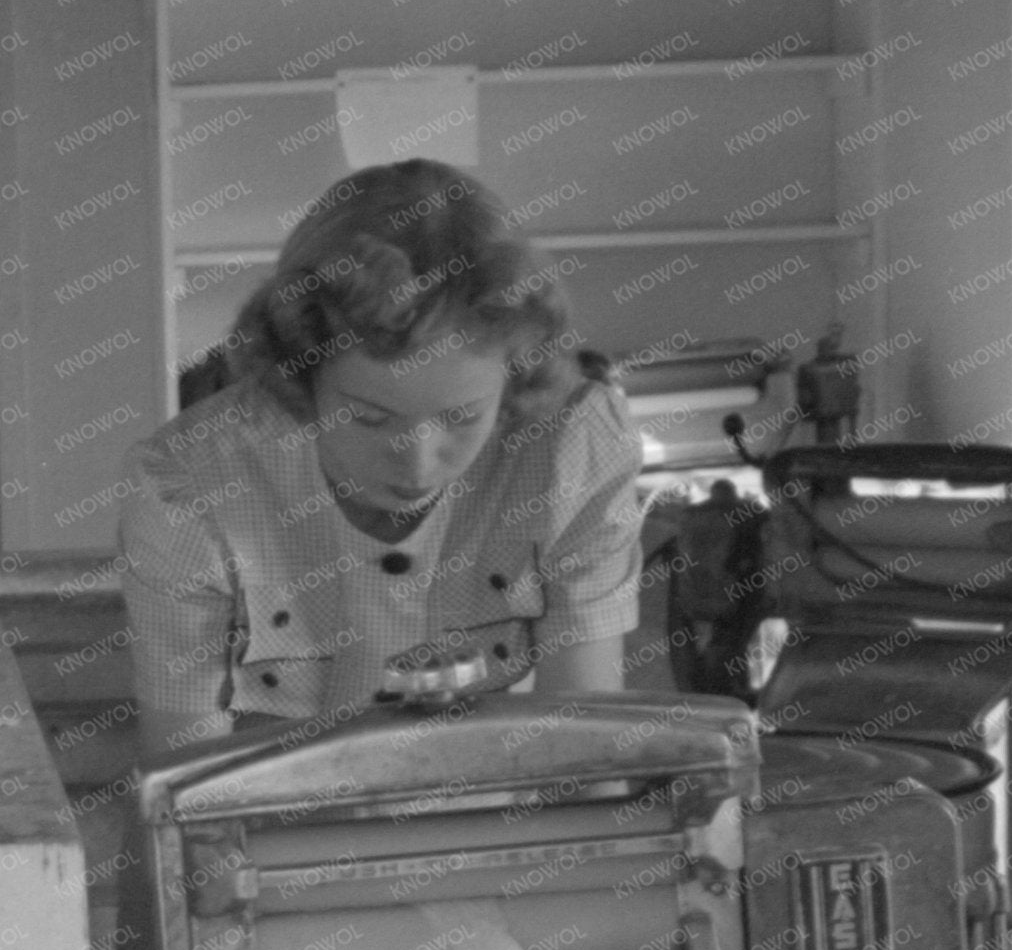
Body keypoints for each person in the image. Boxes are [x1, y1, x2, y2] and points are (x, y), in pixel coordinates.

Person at [120, 160, 646, 756]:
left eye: (462, 417)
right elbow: (188, 784)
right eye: (369, 417)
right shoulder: (188, 485)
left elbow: (588, 745)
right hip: (279, 828)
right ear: (300, 373)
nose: (417, 467)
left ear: (516, 378)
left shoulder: (573, 442)